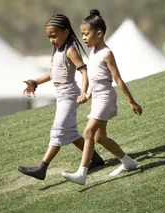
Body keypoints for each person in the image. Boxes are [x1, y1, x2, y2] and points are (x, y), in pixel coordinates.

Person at [18, 14, 105, 181]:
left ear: (66, 32)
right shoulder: (58, 50)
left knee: (57, 131)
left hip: (70, 95)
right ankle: (95, 158)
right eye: (49, 36)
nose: (51, 39)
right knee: (70, 133)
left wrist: (83, 93)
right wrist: (34, 82)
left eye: (54, 35)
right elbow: (53, 73)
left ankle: (42, 167)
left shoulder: (70, 49)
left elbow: (84, 71)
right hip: (61, 95)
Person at [62, 9, 143, 185]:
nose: (83, 38)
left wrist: (131, 101)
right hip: (98, 98)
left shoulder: (107, 53)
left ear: (99, 33)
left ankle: (81, 173)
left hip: (106, 98)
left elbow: (118, 79)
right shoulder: (93, 53)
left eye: (86, 34)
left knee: (88, 132)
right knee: (99, 137)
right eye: (82, 34)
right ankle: (128, 162)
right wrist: (87, 94)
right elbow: (94, 78)